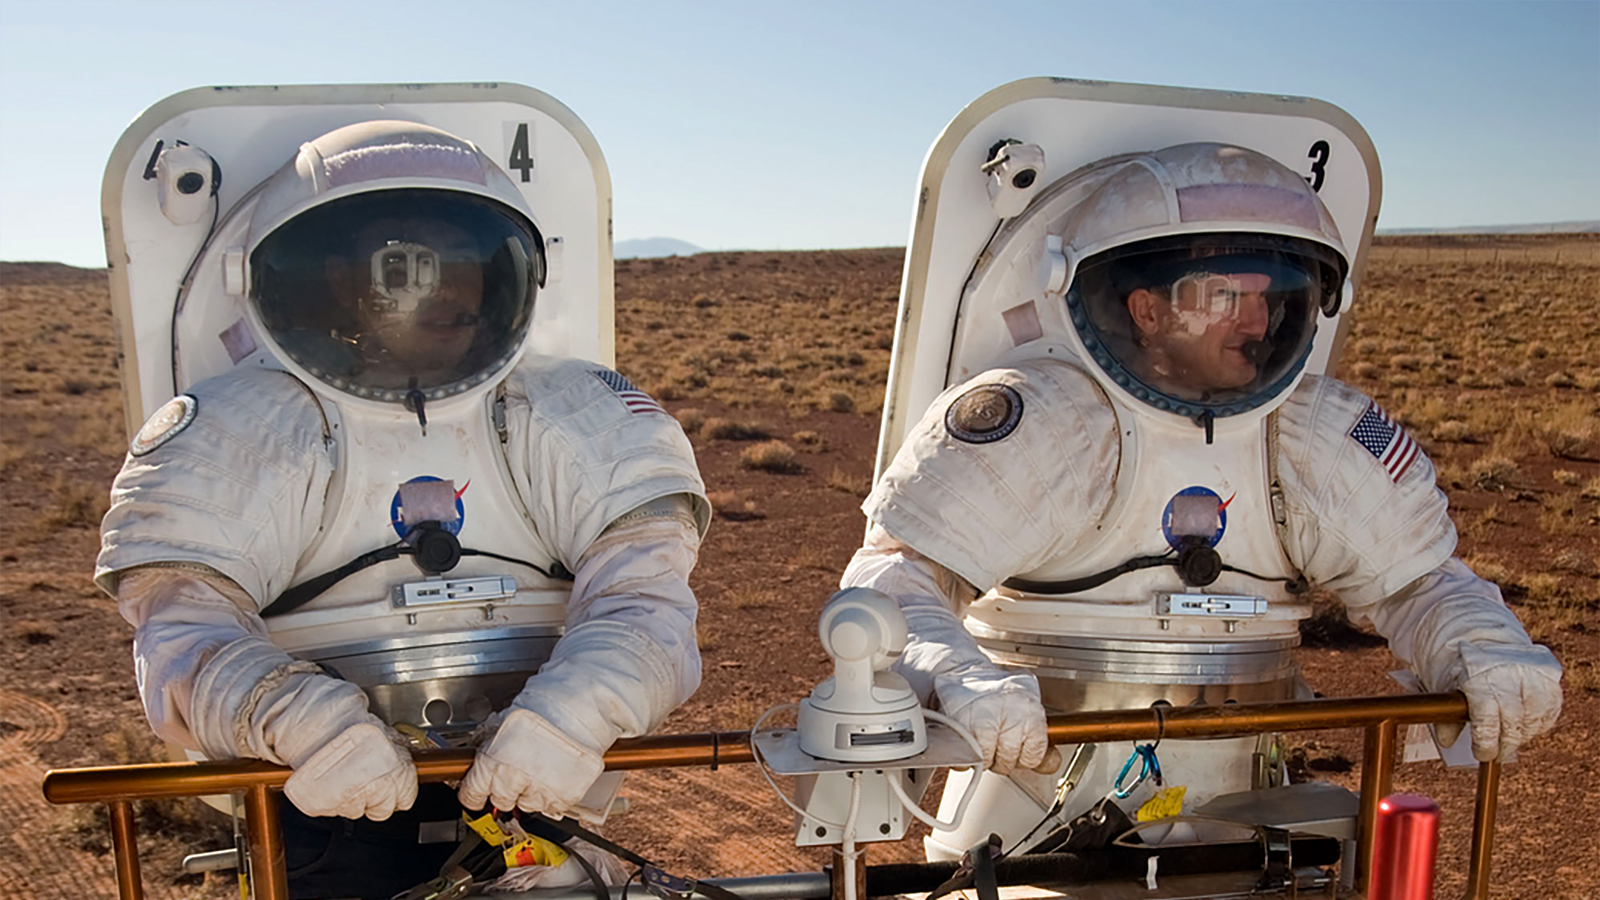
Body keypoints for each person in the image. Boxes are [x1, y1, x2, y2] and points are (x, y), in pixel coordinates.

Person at [841, 141, 1562, 856]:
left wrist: (1480, 646)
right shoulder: (1043, 421)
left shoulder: (1317, 432)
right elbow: (894, 575)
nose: (1257, 322)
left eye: (1270, 296)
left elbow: (1421, 584)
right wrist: (959, 674)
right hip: (1035, 787)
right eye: (1225, 297)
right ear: (1147, 308)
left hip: (1248, 794)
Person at [98, 120, 709, 898]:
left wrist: (569, 719)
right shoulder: (232, 432)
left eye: (455, 263)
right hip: (321, 798)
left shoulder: (569, 414)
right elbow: (184, 631)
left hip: (539, 784)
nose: (425, 285)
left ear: (504, 275)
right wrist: (294, 717)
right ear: (321, 283)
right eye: (388, 266)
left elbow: (646, 601)